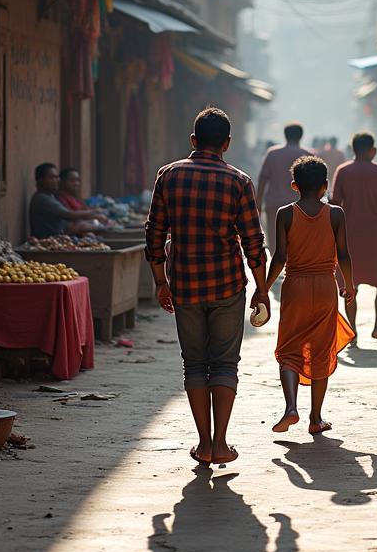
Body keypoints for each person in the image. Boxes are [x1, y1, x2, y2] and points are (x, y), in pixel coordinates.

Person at [146, 107, 267, 467]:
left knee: (195, 364)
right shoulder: (239, 182)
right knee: (225, 364)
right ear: (227, 144)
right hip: (228, 285)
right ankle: (220, 443)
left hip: (184, 285)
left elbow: (154, 232)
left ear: (193, 141)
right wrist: (261, 289)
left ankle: (202, 443)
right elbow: (254, 242)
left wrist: (160, 281)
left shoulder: (168, 176)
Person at [262, 156, 356, 436]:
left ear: (294, 185)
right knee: (320, 350)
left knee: (289, 348)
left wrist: (264, 289)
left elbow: (279, 257)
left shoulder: (285, 214)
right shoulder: (336, 214)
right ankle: (315, 418)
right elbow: (344, 255)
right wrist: (349, 286)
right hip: (326, 286)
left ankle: (291, 407)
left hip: (295, 287)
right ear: (325, 186)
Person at [330, 132, 377, 342]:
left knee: (348, 285)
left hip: (349, 236)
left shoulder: (343, 171)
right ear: (373, 150)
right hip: (375, 236)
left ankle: (352, 330)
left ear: (353, 150)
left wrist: (331, 235)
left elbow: (335, 203)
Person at [257, 123, 312, 239]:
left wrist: (258, 203)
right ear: (301, 136)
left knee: (275, 241)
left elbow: (262, 179)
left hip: (274, 205)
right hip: (300, 207)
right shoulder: (307, 155)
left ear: (285, 135)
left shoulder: (272, 153)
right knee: (297, 241)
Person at [28, 163, 106, 238]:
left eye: (57, 177)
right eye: (51, 177)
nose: (56, 180)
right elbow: (69, 214)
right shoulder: (42, 199)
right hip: (49, 243)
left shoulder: (50, 196)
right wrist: (95, 212)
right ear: (40, 180)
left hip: (61, 237)